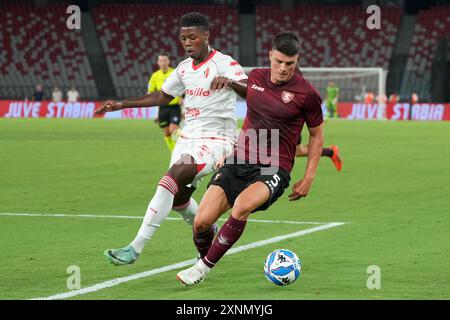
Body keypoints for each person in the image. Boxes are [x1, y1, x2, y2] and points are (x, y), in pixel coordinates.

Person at [95, 12, 248, 266]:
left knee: (171, 177)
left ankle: (135, 248)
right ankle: (207, 231)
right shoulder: (184, 69)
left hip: (216, 139)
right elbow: (162, 97)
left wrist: (231, 83)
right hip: (187, 138)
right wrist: (121, 104)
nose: (187, 43)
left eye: (192, 37)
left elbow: (250, 91)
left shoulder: (224, 63)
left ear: (206, 36)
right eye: (183, 38)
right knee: (179, 200)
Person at [176, 32, 324, 286]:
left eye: (290, 64)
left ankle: (202, 268)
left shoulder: (306, 94)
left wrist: (308, 177)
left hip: (274, 166)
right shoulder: (255, 76)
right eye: (278, 61)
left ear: (297, 61)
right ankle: (206, 256)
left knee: (242, 206)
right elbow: (253, 101)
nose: (283, 68)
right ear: (270, 55)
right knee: (201, 222)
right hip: (239, 159)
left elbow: (317, 136)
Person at [148, 53, 183, 152]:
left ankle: (179, 148)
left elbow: (183, 87)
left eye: (165, 60)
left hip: (174, 107)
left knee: (174, 131)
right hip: (162, 108)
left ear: (168, 61)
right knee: (167, 133)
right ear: (158, 63)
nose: (163, 63)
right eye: (161, 60)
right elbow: (150, 92)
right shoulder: (155, 76)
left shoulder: (174, 73)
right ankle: (174, 152)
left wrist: (181, 97)